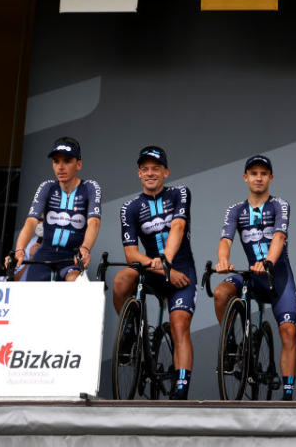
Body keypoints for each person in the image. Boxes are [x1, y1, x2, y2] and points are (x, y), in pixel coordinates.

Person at [213, 154, 296, 401]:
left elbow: (279, 237)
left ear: (270, 178)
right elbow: (225, 239)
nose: (259, 178)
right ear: (246, 177)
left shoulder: (279, 205)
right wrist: (222, 259)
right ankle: (231, 345)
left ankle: (288, 395)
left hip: (277, 277)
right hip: (252, 276)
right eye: (254, 173)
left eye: (263, 173)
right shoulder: (235, 210)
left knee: (288, 331)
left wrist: (268, 262)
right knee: (221, 293)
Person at [113, 146, 196, 400]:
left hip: (181, 272)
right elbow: (131, 254)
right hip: (152, 270)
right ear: (139, 173)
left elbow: (178, 227)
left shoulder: (180, 193)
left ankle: (181, 387)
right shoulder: (130, 207)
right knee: (122, 278)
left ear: (165, 172)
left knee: (179, 325)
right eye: (145, 169)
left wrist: (168, 267)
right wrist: (158, 267)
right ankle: (129, 328)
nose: (150, 173)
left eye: (156, 169)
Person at [14, 137, 101, 281]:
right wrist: (20, 249)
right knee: (30, 298)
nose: (61, 167)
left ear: (78, 164)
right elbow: (31, 221)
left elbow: (94, 222)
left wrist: (85, 249)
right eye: (56, 161)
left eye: (67, 161)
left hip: (71, 256)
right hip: (45, 253)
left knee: (77, 284)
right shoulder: (47, 187)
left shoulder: (90, 187)